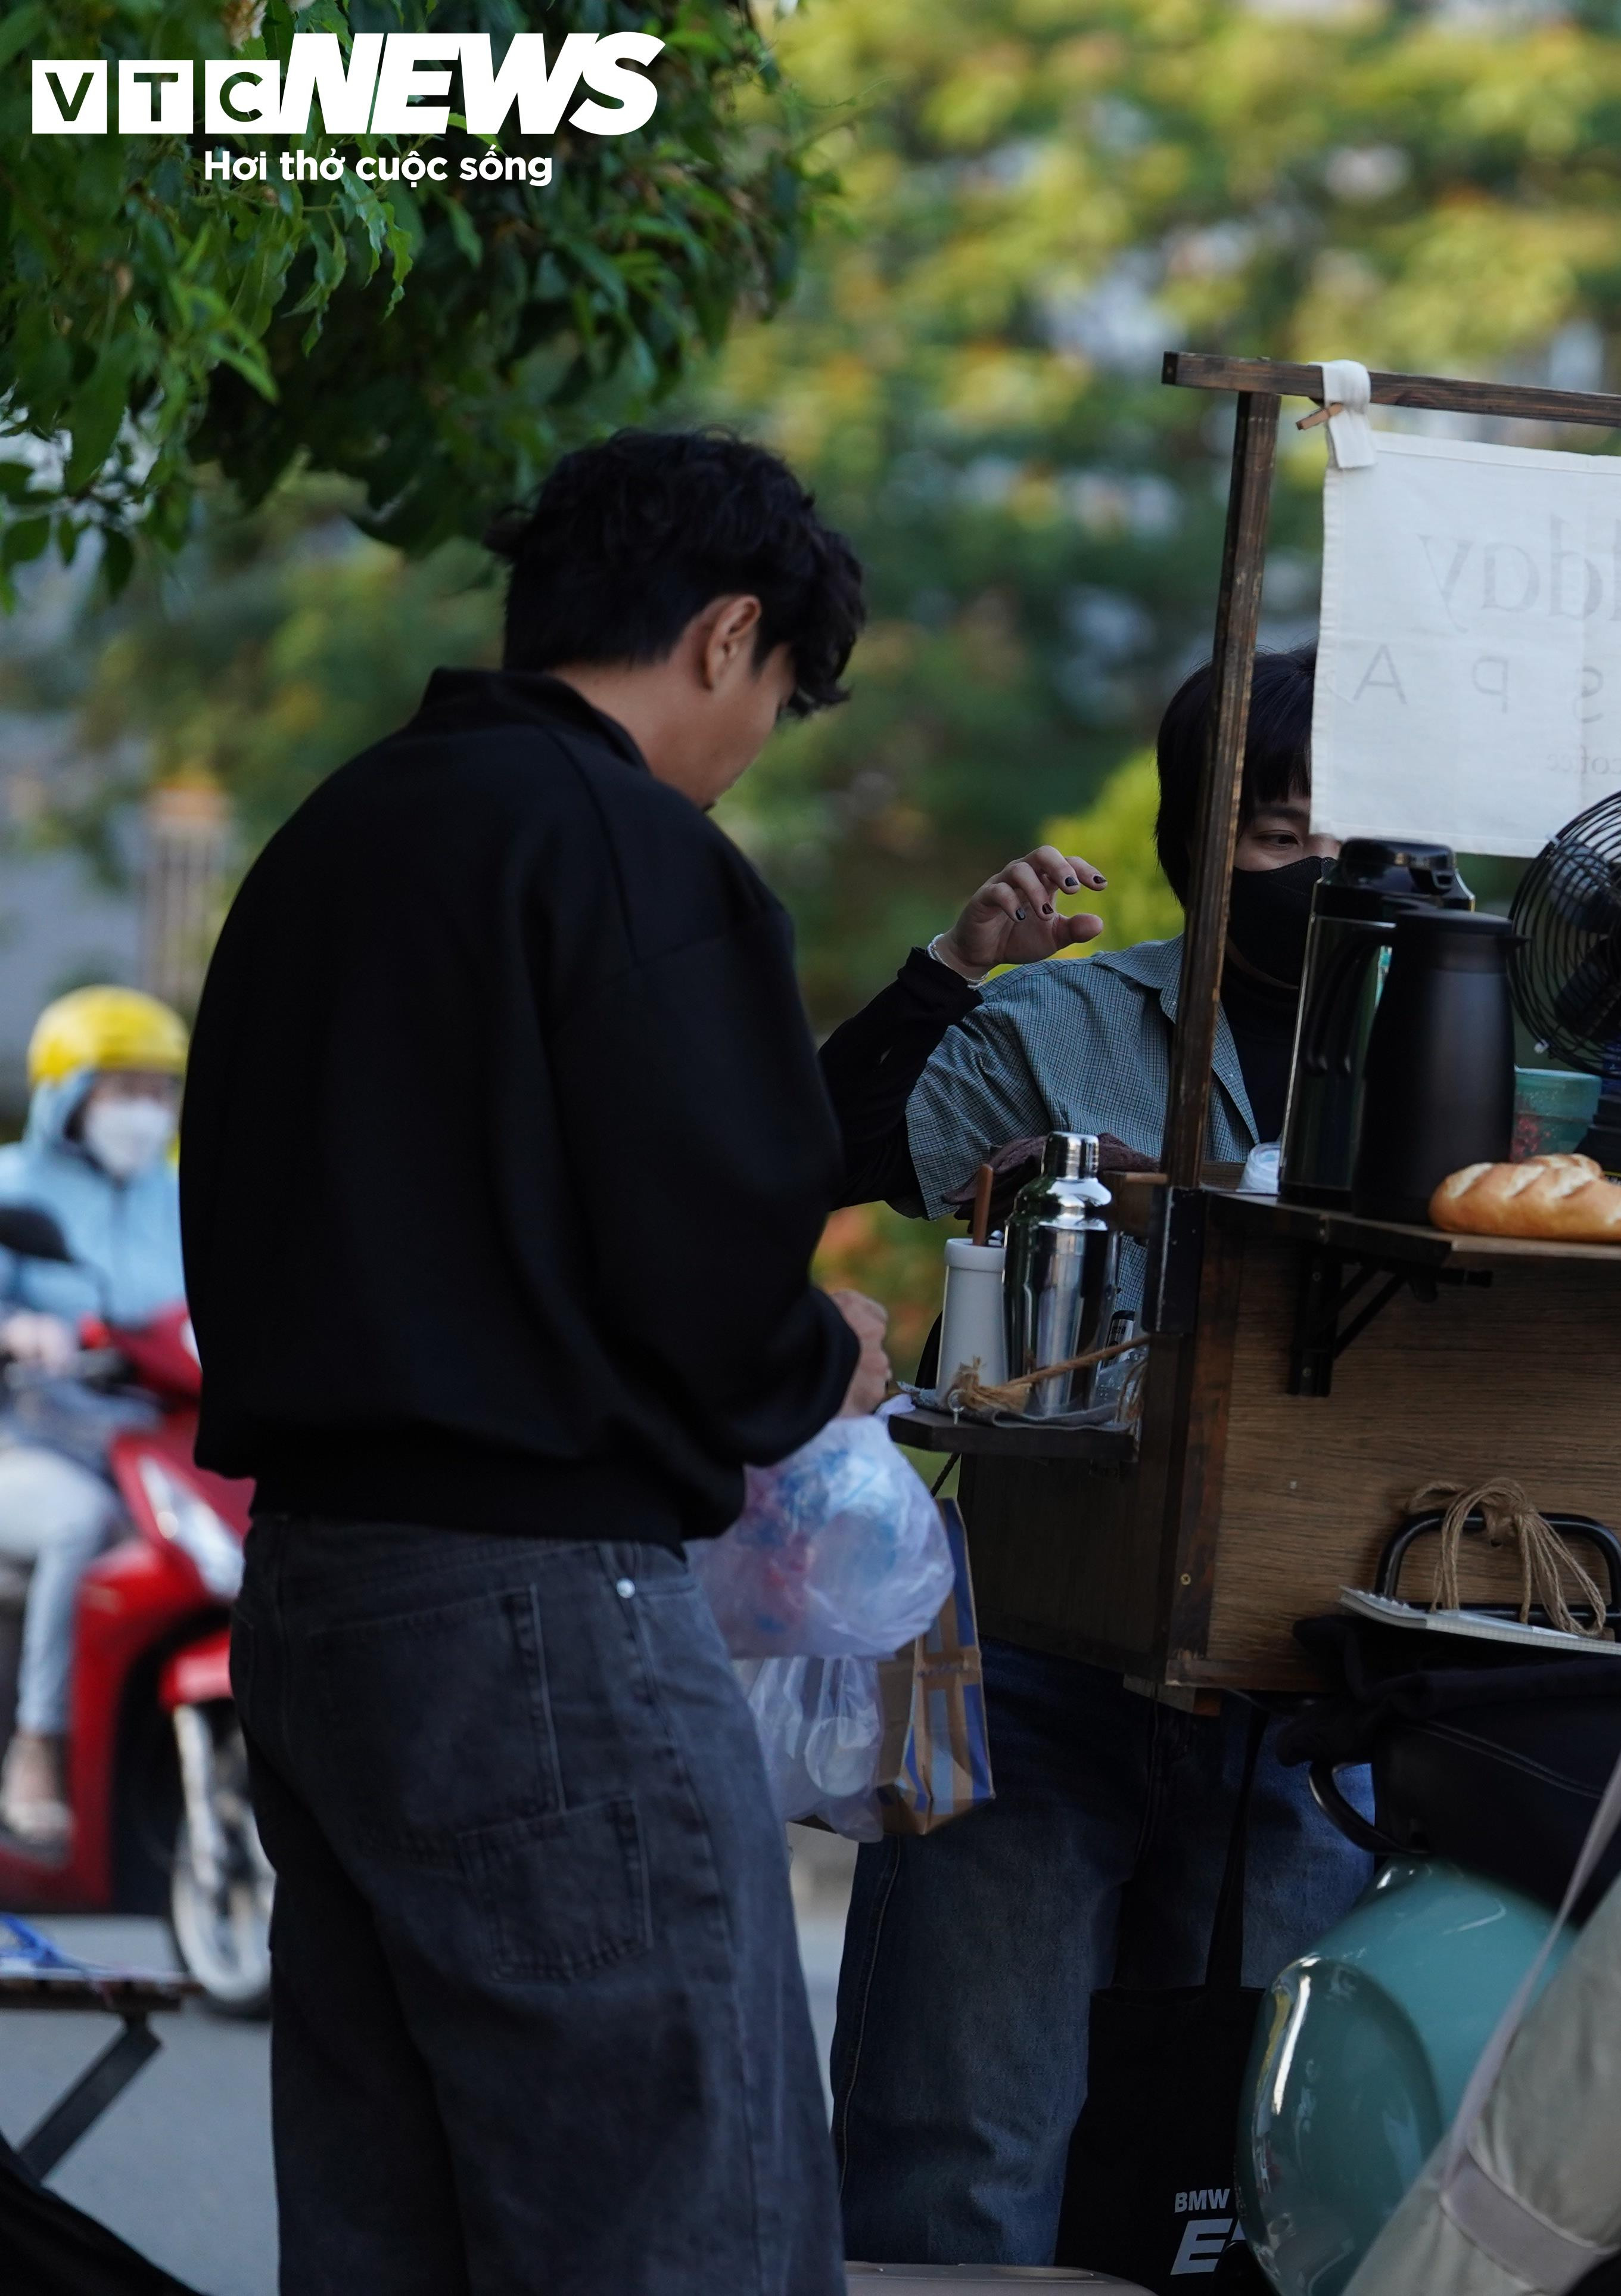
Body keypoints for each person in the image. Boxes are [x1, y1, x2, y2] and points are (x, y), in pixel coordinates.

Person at [179, 428, 1097, 2295]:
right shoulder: (629, 847)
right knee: (689, 2219)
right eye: (777, 693)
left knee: (394, 2218)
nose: (758, 736)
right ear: (724, 633)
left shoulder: (338, 834)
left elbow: (583, 1174)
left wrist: (931, 988)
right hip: (537, 1613)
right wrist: (810, 1350)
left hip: (322, 1592)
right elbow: (699, 1243)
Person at [829, 644, 1377, 2266]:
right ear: (1192, 842)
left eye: (1353, 842)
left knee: (1259, 2190)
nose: (1322, 876)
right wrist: (948, 969)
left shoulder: (1464, 1079)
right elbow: (828, 1149)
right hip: (1037, 1673)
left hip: (1300, 1695)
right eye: (1280, 838)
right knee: (962, 2164)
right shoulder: (1061, 1021)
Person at [0, 987, 191, 1847]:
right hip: (30, 1445)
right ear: (66, 1095)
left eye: (159, 1091)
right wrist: (18, 1328)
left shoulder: (178, 1193)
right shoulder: (13, 1185)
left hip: (154, 1451)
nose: (144, 1113)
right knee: (81, 1524)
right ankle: (38, 1747)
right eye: (123, 1090)